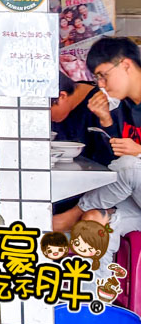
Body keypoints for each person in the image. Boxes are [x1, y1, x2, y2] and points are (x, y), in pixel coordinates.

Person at [53, 37, 141, 270]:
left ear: (125, 65)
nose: (101, 85)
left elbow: (129, 163)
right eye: (97, 78)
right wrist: (106, 120)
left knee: (130, 165)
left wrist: (139, 151)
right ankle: (97, 290)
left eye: (103, 75)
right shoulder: (124, 106)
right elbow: (116, 157)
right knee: (92, 222)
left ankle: (73, 213)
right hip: (136, 200)